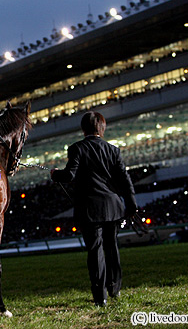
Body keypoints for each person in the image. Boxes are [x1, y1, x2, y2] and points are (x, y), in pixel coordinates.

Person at [50, 111, 137, 306]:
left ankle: (100, 296)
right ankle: (115, 288)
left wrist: (56, 174)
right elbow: (125, 179)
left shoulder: (76, 148)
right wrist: (131, 204)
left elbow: (69, 175)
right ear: (102, 128)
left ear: (83, 129)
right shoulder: (113, 150)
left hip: (89, 208)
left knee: (95, 250)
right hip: (113, 206)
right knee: (111, 246)